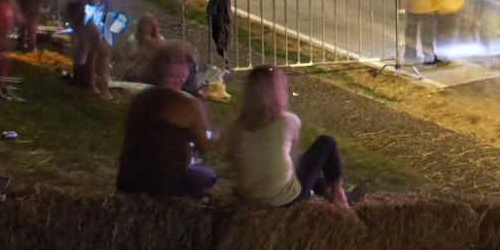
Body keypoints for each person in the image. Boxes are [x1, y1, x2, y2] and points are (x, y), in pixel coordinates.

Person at [222, 65, 352, 207]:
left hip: (247, 197)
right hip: (283, 200)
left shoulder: (233, 127)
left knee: (305, 163)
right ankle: (339, 196)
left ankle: (326, 191)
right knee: (326, 143)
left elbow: (230, 157)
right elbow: (292, 152)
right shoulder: (288, 121)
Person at [115, 40, 215, 198]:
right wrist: (216, 137)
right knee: (207, 175)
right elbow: (204, 145)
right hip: (164, 187)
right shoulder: (189, 105)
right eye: (184, 62)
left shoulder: (140, 99)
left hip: (128, 181)